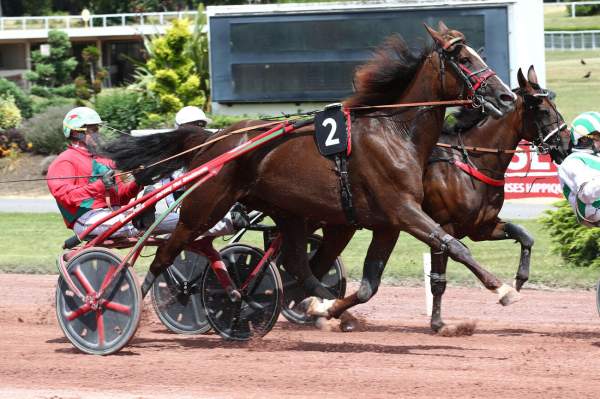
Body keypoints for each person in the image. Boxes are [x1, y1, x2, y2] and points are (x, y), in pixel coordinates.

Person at [47, 106, 245, 239]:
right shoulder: (64, 161)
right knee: (143, 221)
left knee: (186, 221)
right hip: (87, 220)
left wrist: (138, 181)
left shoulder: (103, 160)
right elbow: (66, 196)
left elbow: (121, 195)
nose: (97, 134)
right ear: (76, 132)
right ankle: (142, 220)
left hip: (113, 213)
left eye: (97, 129)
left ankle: (228, 220)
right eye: (92, 130)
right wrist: (101, 185)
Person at [557, 111, 600, 227]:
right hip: (594, 213)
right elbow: (586, 194)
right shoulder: (572, 162)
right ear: (584, 139)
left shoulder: (596, 156)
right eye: (598, 137)